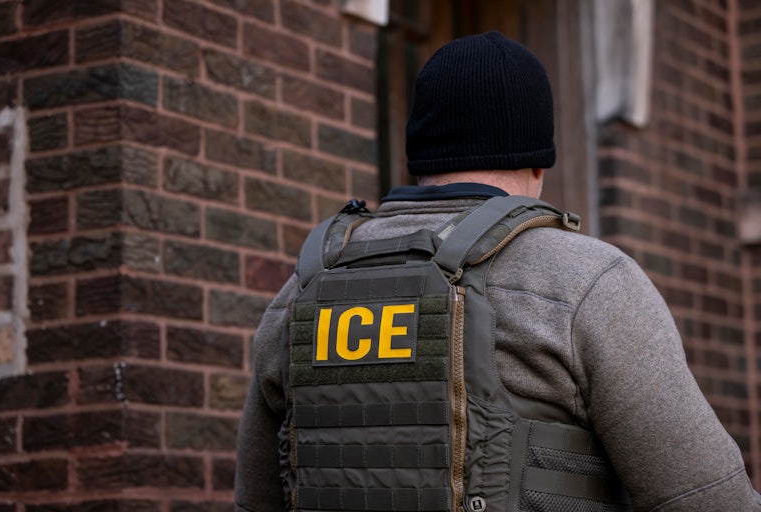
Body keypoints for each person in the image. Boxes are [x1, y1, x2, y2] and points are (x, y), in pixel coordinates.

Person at [235, 31, 761, 512]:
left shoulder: (300, 290)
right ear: (538, 162)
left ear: (421, 156)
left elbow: (256, 500)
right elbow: (707, 499)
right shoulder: (589, 282)